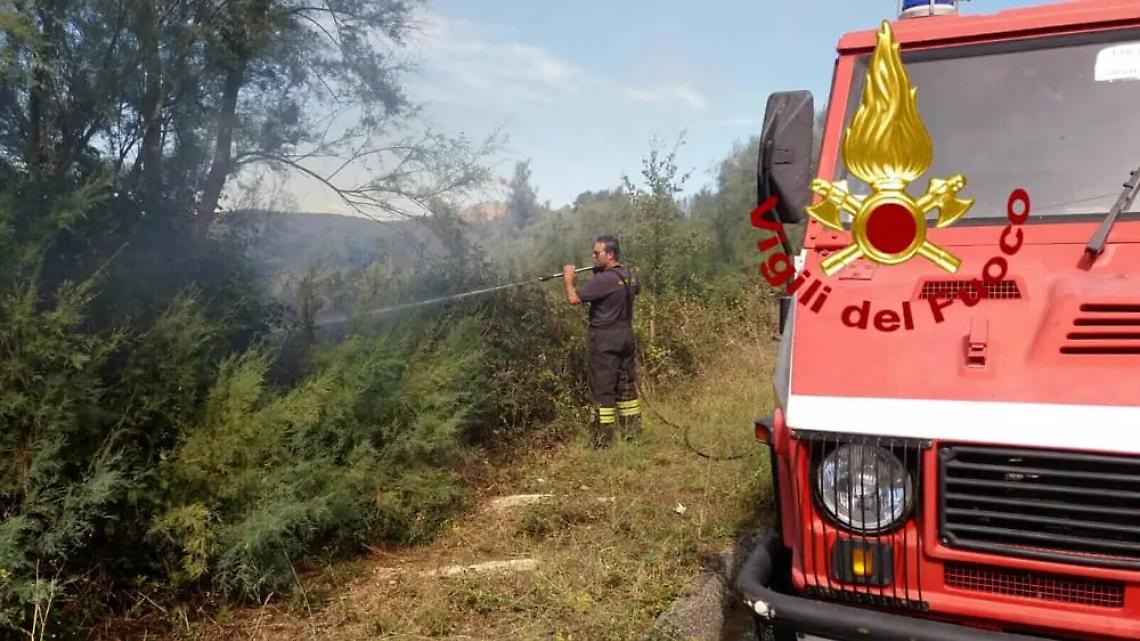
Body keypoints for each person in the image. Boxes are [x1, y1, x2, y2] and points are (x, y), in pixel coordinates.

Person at [563, 235, 641, 447]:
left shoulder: (603, 280)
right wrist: (601, 271)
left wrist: (569, 279)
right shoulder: (630, 275)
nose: (593, 256)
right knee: (626, 387)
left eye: (597, 254)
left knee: (603, 389)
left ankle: (602, 440)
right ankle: (631, 433)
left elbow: (573, 299)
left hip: (604, 339)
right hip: (625, 335)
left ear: (610, 254)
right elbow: (627, 289)